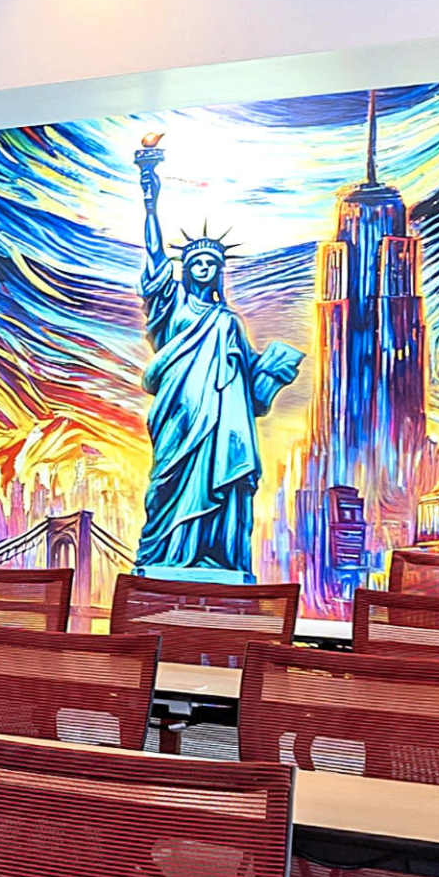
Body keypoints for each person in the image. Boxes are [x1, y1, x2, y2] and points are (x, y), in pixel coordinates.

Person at [134, 135, 300, 578]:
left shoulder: (229, 320)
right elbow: (153, 254)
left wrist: (275, 369)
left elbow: (250, 384)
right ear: (185, 269)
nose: (203, 268)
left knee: (223, 488)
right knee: (170, 483)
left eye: (211, 263)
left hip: (224, 423)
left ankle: (217, 557)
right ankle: (168, 555)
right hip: (181, 416)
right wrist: (150, 195)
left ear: (220, 271)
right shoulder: (171, 306)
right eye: (196, 262)